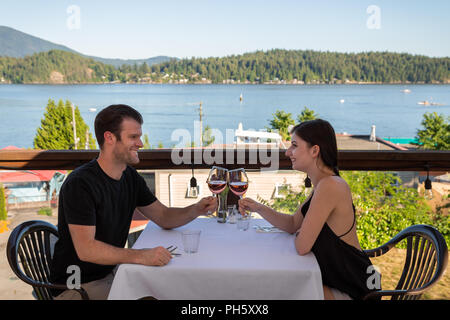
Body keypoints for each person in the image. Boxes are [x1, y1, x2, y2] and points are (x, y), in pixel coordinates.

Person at [50, 104, 217, 300]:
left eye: (139, 136)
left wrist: (196, 209)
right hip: (77, 286)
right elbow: (87, 249)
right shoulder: (80, 184)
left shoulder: (128, 176)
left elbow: (163, 216)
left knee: (171, 290)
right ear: (110, 138)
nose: (140, 143)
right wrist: (141, 255)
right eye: (133, 137)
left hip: (111, 273)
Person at [238, 119, 380, 300]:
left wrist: (302, 233)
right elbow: (292, 224)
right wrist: (258, 207)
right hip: (338, 279)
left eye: (295, 146)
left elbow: (302, 246)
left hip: (354, 289)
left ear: (315, 150)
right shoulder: (323, 184)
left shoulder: (330, 186)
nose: (288, 152)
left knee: (276, 288)